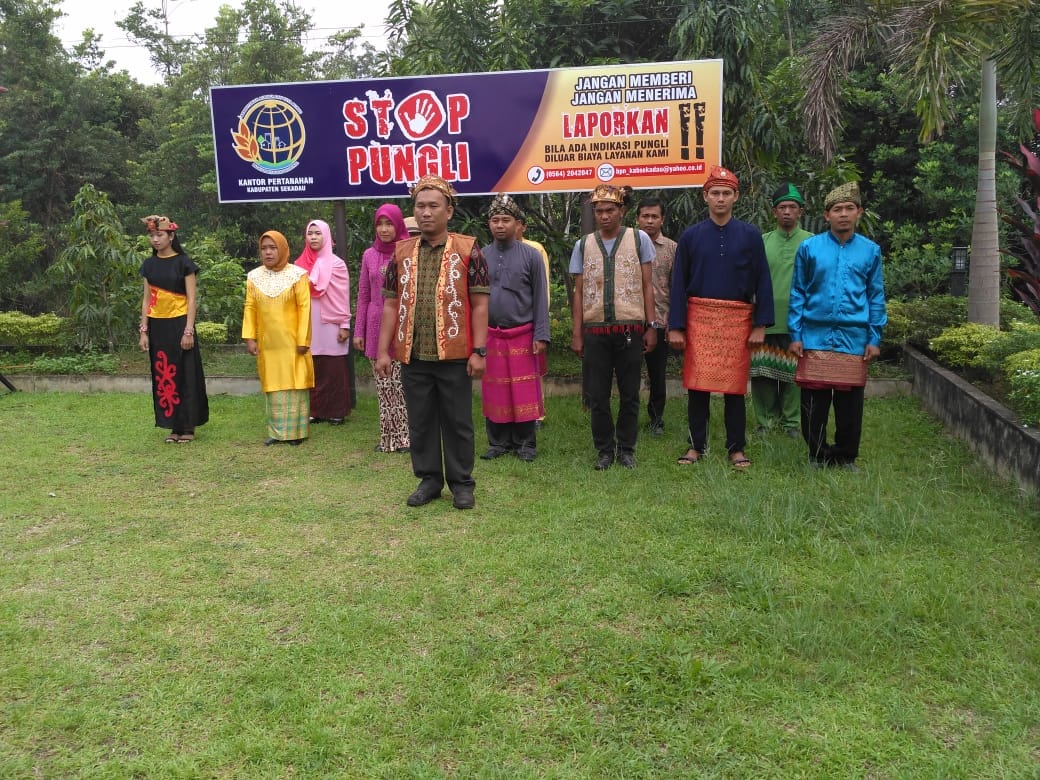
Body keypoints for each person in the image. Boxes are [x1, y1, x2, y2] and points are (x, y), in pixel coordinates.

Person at [375, 176, 489, 510]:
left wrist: (479, 351)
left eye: (433, 206)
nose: (425, 213)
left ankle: (462, 483)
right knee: (421, 421)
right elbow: (390, 304)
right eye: (420, 206)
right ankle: (429, 480)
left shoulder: (470, 250)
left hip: (455, 353)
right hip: (413, 355)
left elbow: (481, 304)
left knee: (457, 421)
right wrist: (384, 350)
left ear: (449, 211)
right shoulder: (401, 252)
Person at [667, 166, 773, 469]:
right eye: (715, 193)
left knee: (735, 387)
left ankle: (736, 447)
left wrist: (760, 325)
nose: (721, 198)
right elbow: (678, 284)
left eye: (726, 193)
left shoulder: (751, 235)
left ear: (736, 196)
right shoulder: (690, 237)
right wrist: (676, 326)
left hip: (737, 321)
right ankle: (696, 445)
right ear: (705, 196)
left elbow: (763, 279)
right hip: (699, 318)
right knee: (698, 386)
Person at [788, 181, 887, 471]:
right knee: (813, 404)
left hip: (854, 337)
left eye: (849, 208)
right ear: (827, 215)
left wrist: (874, 337)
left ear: (859, 213)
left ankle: (845, 456)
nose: (843, 214)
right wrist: (796, 334)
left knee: (849, 405)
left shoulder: (870, 251)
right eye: (836, 209)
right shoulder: (810, 248)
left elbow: (875, 295)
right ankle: (817, 455)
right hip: (814, 335)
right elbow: (799, 292)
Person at [570, 184, 657, 470]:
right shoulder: (583, 245)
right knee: (598, 394)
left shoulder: (638, 238)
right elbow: (579, 291)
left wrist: (651, 325)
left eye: (610, 210)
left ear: (622, 211)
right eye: (599, 211)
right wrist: (577, 333)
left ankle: (627, 448)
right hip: (596, 330)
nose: (604, 216)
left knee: (630, 392)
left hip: (630, 327)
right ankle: (605, 450)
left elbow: (647, 285)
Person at [480, 194, 550, 462]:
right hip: (492, 335)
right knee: (495, 389)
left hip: (523, 333)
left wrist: (541, 335)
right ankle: (498, 443)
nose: (500, 225)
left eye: (505, 220)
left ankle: (526, 444)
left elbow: (541, 298)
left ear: (518, 224)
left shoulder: (531, 256)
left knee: (523, 391)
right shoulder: (481, 256)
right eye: (495, 220)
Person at [137, 214, 209, 443]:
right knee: (163, 373)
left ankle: (187, 426)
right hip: (158, 326)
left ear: (171, 235)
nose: (155, 240)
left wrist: (189, 330)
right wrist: (144, 330)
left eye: (159, 235)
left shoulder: (184, 262)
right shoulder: (148, 265)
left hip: (180, 323)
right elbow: (147, 300)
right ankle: (173, 425)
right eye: (152, 236)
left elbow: (191, 299)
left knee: (185, 373)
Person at [750, 183, 813, 438]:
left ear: (800, 212)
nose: (787, 211)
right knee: (763, 373)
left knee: (794, 375)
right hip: (765, 319)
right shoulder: (761, 241)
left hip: (799, 322)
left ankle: (791, 423)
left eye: (792, 207)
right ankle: (764, 422)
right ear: (774, 212)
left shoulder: (812, 243)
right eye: (782, 207)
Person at [242, 230, 314, 446]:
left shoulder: (298, 275)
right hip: (268, 343)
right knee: (273, 384)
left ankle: (296, 433)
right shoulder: (254, 277)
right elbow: (250, 307)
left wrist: (303, 340)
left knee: (294, 383)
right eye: (264, 248)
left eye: (272, 248)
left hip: (292, 343)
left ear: (282, 249)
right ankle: (277, 432)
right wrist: (250, 338)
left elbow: (305, 308)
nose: (268, 252)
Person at [354, 204, 411, 454]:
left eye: (389, 224)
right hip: (376, 324)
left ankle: (407, 439)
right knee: (384, 384)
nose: (385, 229)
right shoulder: (369, 255)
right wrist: (359, 330)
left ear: (398, 225)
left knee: (403, 384)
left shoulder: (409, 250)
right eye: (380, 224)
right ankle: (388, 438)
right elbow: (364, 293)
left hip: (403, 322)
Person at [294, 219, 351, 425]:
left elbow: (343, 295)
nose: (314, 237)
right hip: (308, 322)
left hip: (331, 322)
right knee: (312, 366)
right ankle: (315, 410)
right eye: (310, 234)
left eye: (318, 233)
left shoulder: (337, 263)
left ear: (326, 236)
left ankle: (336, 410)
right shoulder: (299, 265)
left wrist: (345, 324)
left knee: (333, 367)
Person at [636, 197, 677, 437]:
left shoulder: (672, 248)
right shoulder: (628, 244)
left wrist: (674, 324)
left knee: (657, 374)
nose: (649, 221)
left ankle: (656, 419)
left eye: (654, 217)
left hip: (661, 321)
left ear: (662, 219)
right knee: (627, 373)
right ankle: (628, 417)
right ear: (638, 218)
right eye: (645, 216)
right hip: (630, 320)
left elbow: (677, 287)